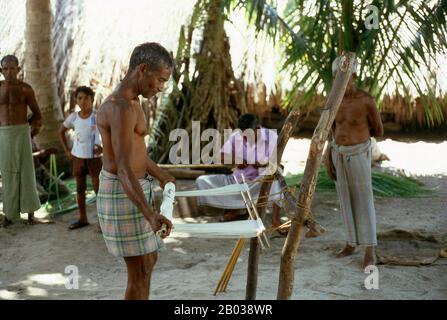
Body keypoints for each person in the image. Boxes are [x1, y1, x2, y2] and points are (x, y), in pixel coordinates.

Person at [96, 42, 175, 300]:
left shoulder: (134, 102)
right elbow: (123, 169)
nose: (162, 87)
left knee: (148, 262)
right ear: (143, 69)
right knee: (139, 269)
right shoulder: (118, 107)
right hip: (123, 192)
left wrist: (161, 174)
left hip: (135, 189)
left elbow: (137, 153)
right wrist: (150, 214)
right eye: (160, 80)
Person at [324, 57, 384, 269]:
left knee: (363, 200)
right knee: (345, 199)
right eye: (336, 77)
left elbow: (378, 130)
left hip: (359, 153)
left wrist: (361, 143)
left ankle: (369, 250)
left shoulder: (366, 100)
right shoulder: (332, 99)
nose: (340, 81)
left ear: (354, 77)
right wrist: (327, 155)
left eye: (345, 77)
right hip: (337, 152)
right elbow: (329, 129)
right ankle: (351, 243)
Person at [196, 113, 289, 234]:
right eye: (243, 134)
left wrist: (262, 163)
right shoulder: (236, 136)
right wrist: (236, 160)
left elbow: (276, 161)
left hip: (261, 181)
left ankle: (275, 219)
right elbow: (221, 157)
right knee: (202, 181)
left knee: (276, 173)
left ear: (257, 128)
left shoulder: (271, 137)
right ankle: (238, 210)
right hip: (239, 180)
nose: (245, 138)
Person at [0, 54, 50, 226]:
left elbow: (37, 114)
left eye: (12, 68)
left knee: (26, 172)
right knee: (7, 173)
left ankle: (30, 215)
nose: (9, 72)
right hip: (4, 134)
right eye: (5, 69)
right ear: (1, 70)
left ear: (18, 69)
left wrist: (32, 131)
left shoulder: (25, 89)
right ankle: (9, 215)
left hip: (22, 132)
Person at [59, 86, 103, 230]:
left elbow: (110, 134)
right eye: (80, 98)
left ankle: (103, 222)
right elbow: (61, 131)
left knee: (99, 190)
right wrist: (67, 151)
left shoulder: (98, 116)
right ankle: (83, 218)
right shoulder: (73, 117)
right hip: (78, 157)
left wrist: (104, 148)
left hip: (95, 158)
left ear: (92, 99)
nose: (83, 101)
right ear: (76, 100)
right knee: (79, 189)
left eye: (86, 98)